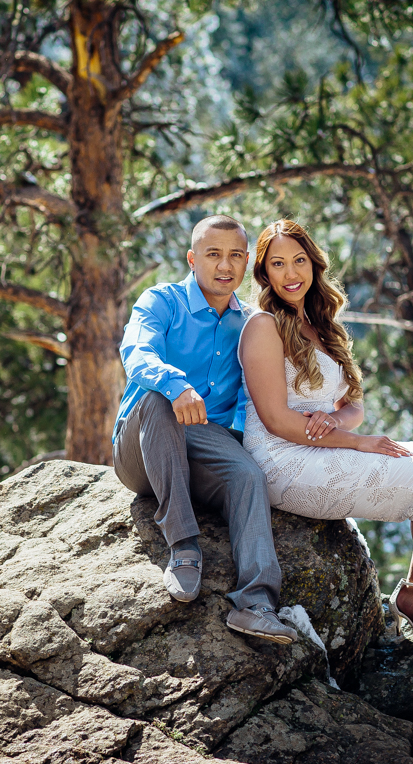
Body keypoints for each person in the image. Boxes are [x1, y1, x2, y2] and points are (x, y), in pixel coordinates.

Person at [238, 219, 413, 655]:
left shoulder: (322, 324)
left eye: (298, 260)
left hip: (322, 443)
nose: (290, 273)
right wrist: (359, 441)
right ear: (264, 272)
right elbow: (278, 421)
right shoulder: (262, 326)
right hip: (281, 460)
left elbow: (353, 404)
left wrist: (337, 422)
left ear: (314, 263)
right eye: (277, 264)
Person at [112, 214, 299, 644]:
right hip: (141, 445)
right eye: (213, 255)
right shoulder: (162, 301)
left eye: (235, 255)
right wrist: (177, 385)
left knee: (248, 475)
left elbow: (259, 397)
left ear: (247, 260)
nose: (224, 266)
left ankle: (255, 604)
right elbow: (136, 352)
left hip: (203, 443)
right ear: (194, 259)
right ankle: (183, 547)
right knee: (157, 399)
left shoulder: (251, 323)